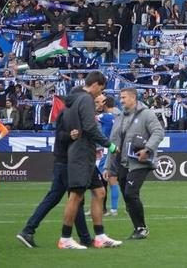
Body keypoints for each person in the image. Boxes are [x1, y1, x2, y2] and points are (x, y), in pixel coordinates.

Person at [57, 70, 122, 249]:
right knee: (76, 195)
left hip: (83, 152)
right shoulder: (85, 99)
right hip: (81, 153)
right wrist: (110, 146)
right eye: (100, 90)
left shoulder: (73, 98)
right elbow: (90, 128)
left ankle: (100, 236)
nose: (99, 95)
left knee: (100, 192)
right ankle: (65, 238)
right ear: (95, 85)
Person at [17, 101, 92, 248]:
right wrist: (72, 136)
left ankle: (28, 230)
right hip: (66, 162)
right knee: (76, 198)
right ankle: (85, 238)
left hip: (63, 161)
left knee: (54, 198)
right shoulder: (69, 115)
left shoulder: (68, 113)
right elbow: (62, 136)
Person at [106, 87, 165, 240]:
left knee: (130, 193)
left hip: (140, 161)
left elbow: (159, 132)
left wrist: (148, 148)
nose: (121, 100)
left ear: (133, 98)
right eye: (120, 97)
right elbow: (113, 142)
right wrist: (108, 166)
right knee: (128, 197)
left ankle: (141, 228)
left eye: (124, 97)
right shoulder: (119, 116)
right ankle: (137, 227)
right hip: (122, 162)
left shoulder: (147, 114)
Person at [96, 95, 120, 216]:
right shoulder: (119, 115)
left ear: (105, 104)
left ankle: (103, 207)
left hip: (108, 147)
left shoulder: (105, 116)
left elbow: (90, 119)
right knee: (113, 179)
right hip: (117, 147)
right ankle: (113, 209)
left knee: (103, 178)